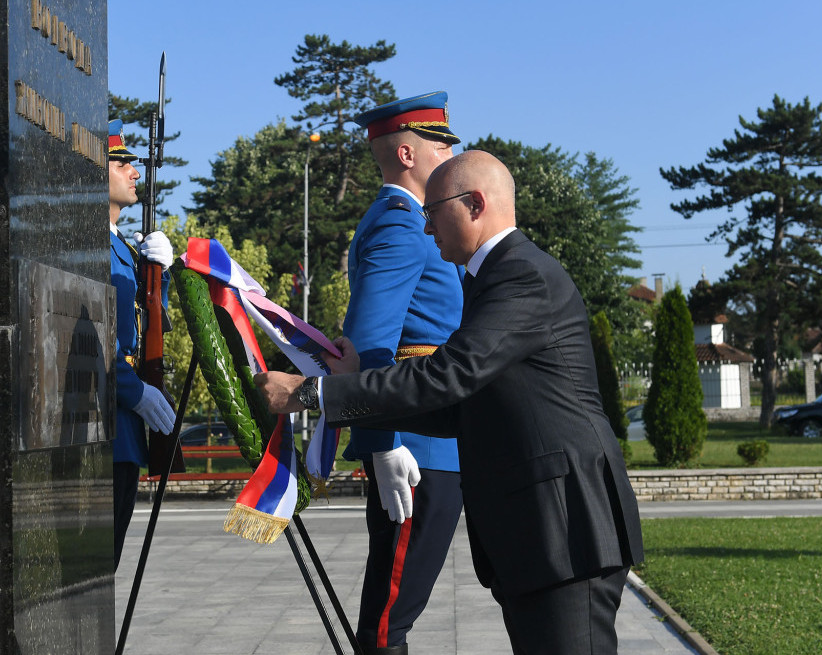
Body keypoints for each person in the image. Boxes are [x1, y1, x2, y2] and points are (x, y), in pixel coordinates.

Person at [257, 151, 644, 655]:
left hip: (566, 529)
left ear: (475, 204)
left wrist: (312, 393)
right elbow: (460, 407)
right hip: (539, 533)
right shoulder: (492, 279)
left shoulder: (521, 275)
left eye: (433, 210)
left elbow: (449, 376)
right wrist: (357, 387)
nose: (425, 225)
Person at [341, 92, 465, 655]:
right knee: (388, 622)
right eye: (442, 146)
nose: (450, 158)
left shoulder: (412, 224)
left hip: (436, 436)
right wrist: (382, 441)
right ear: (410, 154)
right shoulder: (400, 227)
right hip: (418, 446)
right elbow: (370, 344)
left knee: (394, 615)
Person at [107, 119, 176, 568]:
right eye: (121, 162)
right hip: (106, 418)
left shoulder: (122, 248)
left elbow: (149, 322)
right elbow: (96, 334)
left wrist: (160, 276)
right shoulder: (91, 245)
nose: (135, 172)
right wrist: (134, 391)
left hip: (124, 427)